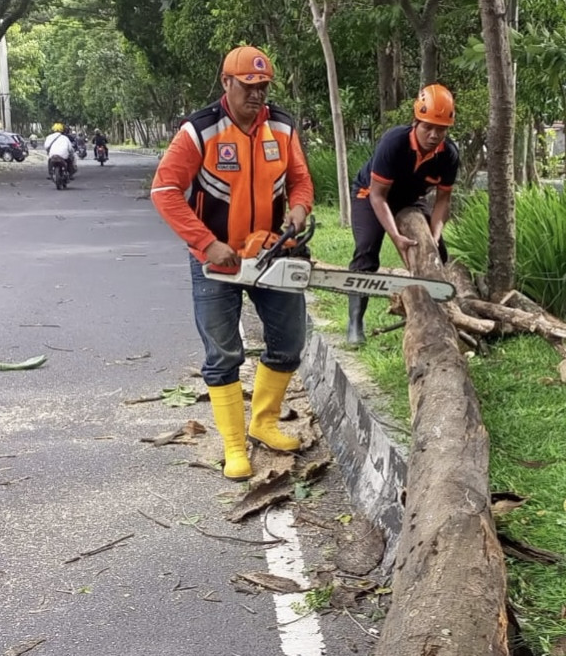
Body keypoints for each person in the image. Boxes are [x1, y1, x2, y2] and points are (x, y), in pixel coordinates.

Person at [149, 45, 314, 481]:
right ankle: (235, 446)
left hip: (271, 252)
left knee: (289, 342)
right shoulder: (199, 131)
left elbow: (299, 180)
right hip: (217, 260)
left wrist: (298, 210)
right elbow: (164, 191)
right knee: (223, 353)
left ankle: (263, 423)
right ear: (227, 83)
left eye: (263, 87)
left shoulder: (282, 126)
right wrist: (206, 243)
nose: (257, 96)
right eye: (248, 86)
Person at [345, 84, 460, 345]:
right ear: (415, 122)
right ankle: (355, 321)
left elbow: (443, 200)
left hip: (410, 199)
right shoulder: (394, 142)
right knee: (366, 249)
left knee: (438, 253)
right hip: (371, 194)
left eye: (440, 129)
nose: (433, 134)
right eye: (427, 127)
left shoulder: (449, 155)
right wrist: (395, 235)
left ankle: (437, 314)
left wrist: (434, 234)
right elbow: (378, 195)